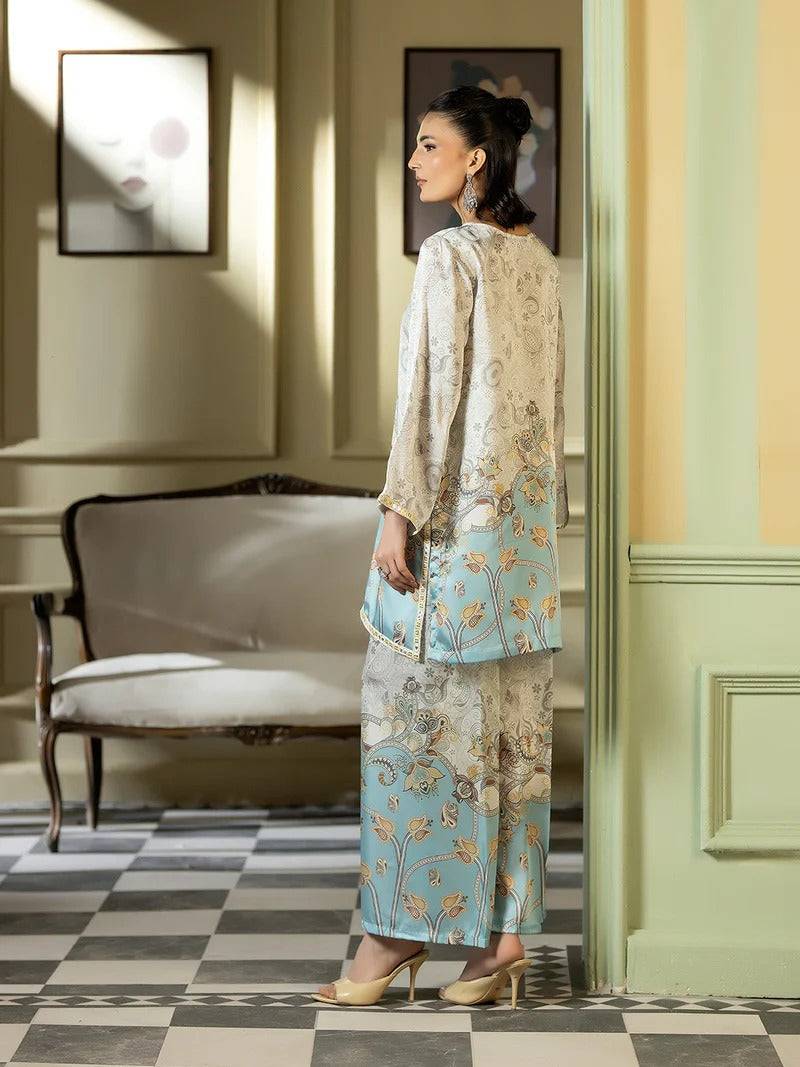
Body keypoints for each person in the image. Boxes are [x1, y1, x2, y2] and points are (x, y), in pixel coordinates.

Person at [314, 83, 568, 1008]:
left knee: (411, 733)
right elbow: (549, 411)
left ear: (476, 161)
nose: (414, 160)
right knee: (512, 749)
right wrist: (543, 528)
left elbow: (428, 390)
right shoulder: (538, 261)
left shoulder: (449, 253)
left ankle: (389, 936)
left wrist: (397, 510)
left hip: (454, 543)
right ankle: (499, 944)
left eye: (428, 145)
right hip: (525, 553)